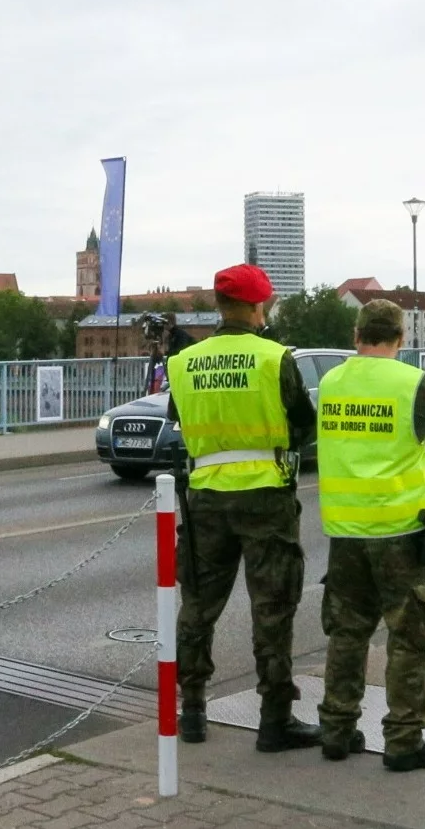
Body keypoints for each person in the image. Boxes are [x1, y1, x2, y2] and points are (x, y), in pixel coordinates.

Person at [165, 264, 319, 752]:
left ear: (218, 305)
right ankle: (275, 720)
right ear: (257, 307)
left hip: (205, 494)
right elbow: (303, 425)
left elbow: (179, 419)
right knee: (272, 607)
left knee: (196, 605)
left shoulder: (186, 361)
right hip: (264, 495)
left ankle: (192, 712)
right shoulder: (274, 359)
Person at [312, 299, 425, 771]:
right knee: (410, 637)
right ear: (401, 339)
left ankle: (335, 730)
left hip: (345, 530)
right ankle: (403, 741)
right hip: (401, 531)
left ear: (356, 336)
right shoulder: (417, 384)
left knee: (347, 633)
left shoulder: (330, 382)